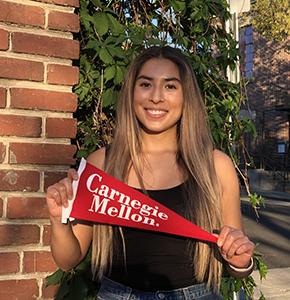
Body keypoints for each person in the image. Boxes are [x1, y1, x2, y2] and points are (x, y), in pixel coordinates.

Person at [46, 46, 255, 300]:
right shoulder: (102, 163)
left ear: (186, 96)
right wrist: (59, 220)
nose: (156, 97)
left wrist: (240, 261)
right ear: (132, 93)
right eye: (146, 84)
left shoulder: (215, 165)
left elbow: (238, 261)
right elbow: (69, 259)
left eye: (170, 86)